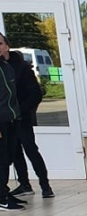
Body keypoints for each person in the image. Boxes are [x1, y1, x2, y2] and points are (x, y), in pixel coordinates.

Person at [0, 34, 52, 200]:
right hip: (6, 120)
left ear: (7, 46)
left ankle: (45, 185)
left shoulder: (21, 67)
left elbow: (35, 94)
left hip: (21, 117)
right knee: (13, 154)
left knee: (31, 150)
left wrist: (20, 110)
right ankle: (24, 184)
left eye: (0, 43)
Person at [0, 45, 25, 211]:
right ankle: (1, 198)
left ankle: (4, 191)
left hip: (12, 119)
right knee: (1, 161)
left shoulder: (6, 67)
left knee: (8, 158)